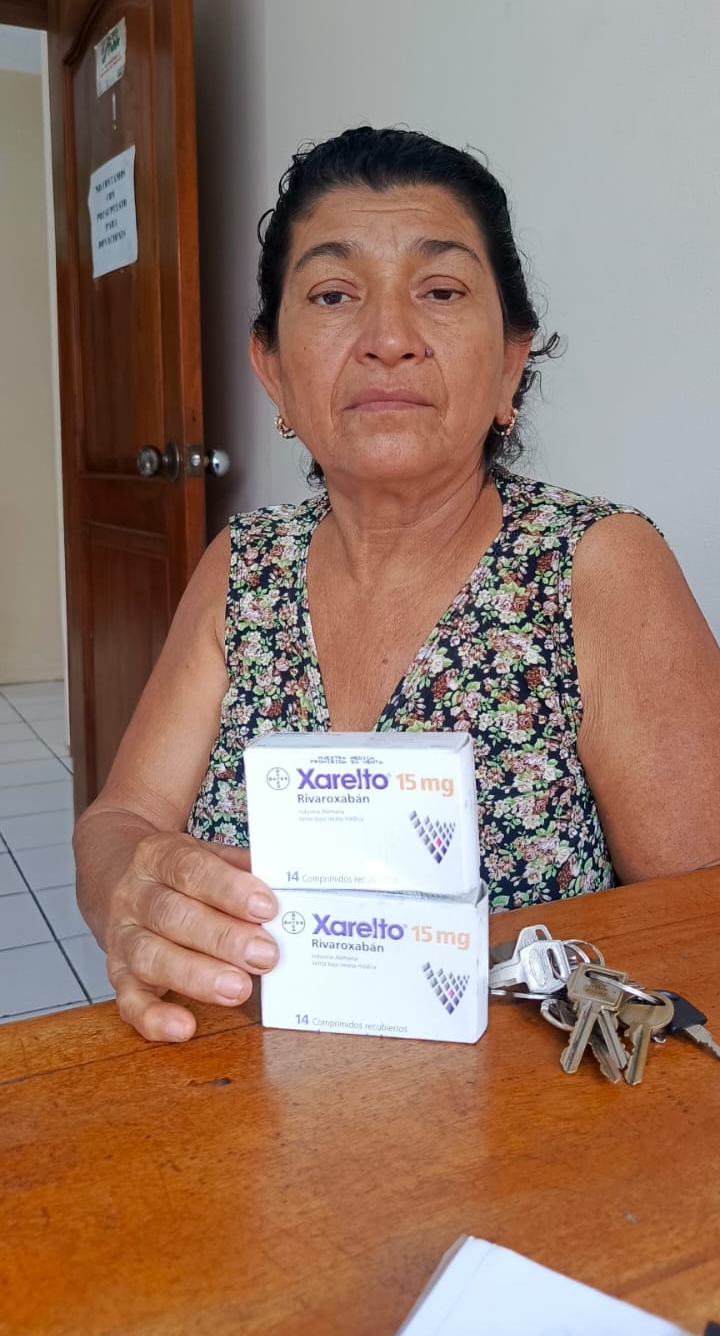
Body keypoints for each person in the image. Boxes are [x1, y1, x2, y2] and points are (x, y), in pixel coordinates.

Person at [74, 126, 720, 1043]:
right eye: (334, 294)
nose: (387, 339)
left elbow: (702, 925)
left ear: (510, 363)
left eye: (441, 291)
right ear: (273, 371)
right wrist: (135, 890)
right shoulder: (243, 566)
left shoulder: (596, 567)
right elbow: (120, 818)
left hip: (520, 1119)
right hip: (235, 1096)